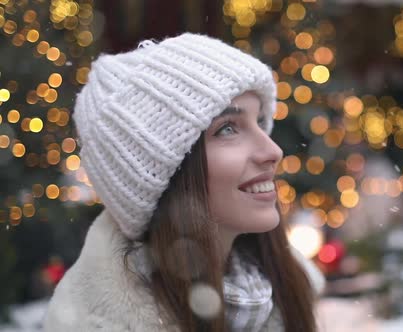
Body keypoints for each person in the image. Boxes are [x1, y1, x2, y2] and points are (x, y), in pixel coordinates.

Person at [43, 33, 325, 332]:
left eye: (259, 122)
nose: (273, 151)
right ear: (163, 177)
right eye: (228, 129)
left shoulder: (285, 291)